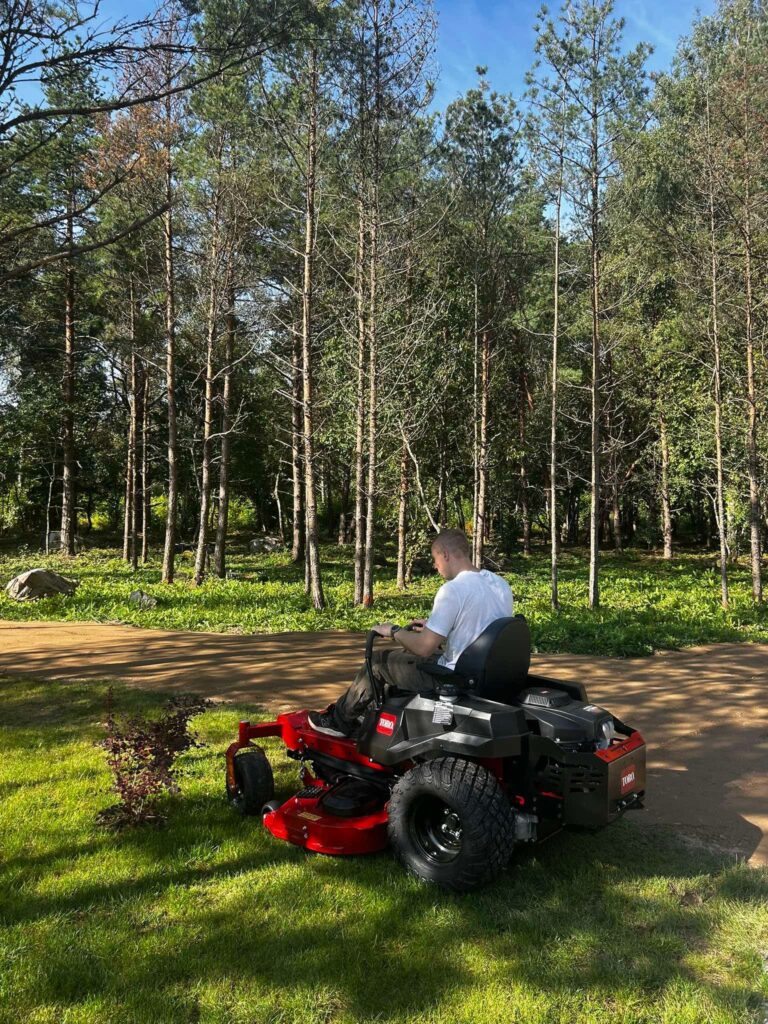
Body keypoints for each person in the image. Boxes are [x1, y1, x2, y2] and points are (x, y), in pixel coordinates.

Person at [308, 528, 513, 737]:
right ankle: (379, 715)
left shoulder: (453, 590)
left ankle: (339, 722)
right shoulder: (499, 584)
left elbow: (424, 648)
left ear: (445, 555)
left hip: (456, 678)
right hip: (486, 674)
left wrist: (393, 631)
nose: (435, 565)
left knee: (379, 662)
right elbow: (479, 627)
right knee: (406, 654)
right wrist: (434, 627)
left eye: (435, 559)